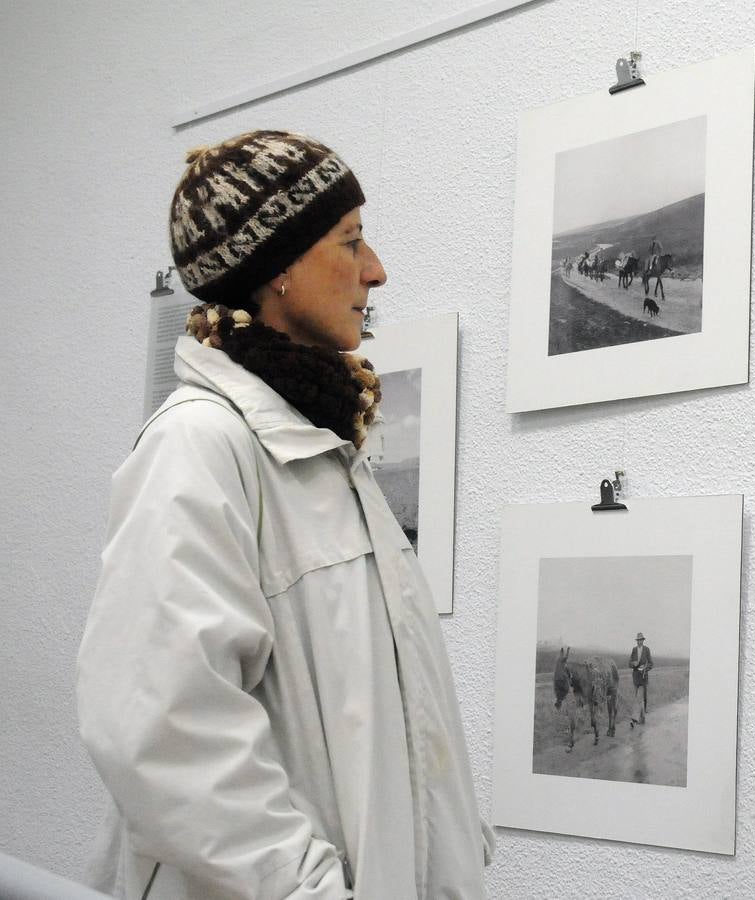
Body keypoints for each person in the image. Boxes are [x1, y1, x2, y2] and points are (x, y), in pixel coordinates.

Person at [75, 130, 493, 899]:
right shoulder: (198, 445)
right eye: (352, 241)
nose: (377, 270)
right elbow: (158, 733)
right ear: (280, 271)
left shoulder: (327, 448)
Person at [628, 632, 653, 725]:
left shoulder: (647, 650)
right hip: (635, 677)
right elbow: (629, 663)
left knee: (640, 698)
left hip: (643, 677)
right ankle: (640, 719)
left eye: (641, 640)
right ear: (636, 641)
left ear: (643, 640)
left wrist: (645, 669)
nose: (639, 641)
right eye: (638, 640)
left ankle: (636, 718)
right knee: (637, 698)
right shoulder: (634, 650)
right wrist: (633, 663)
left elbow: (651, 663)